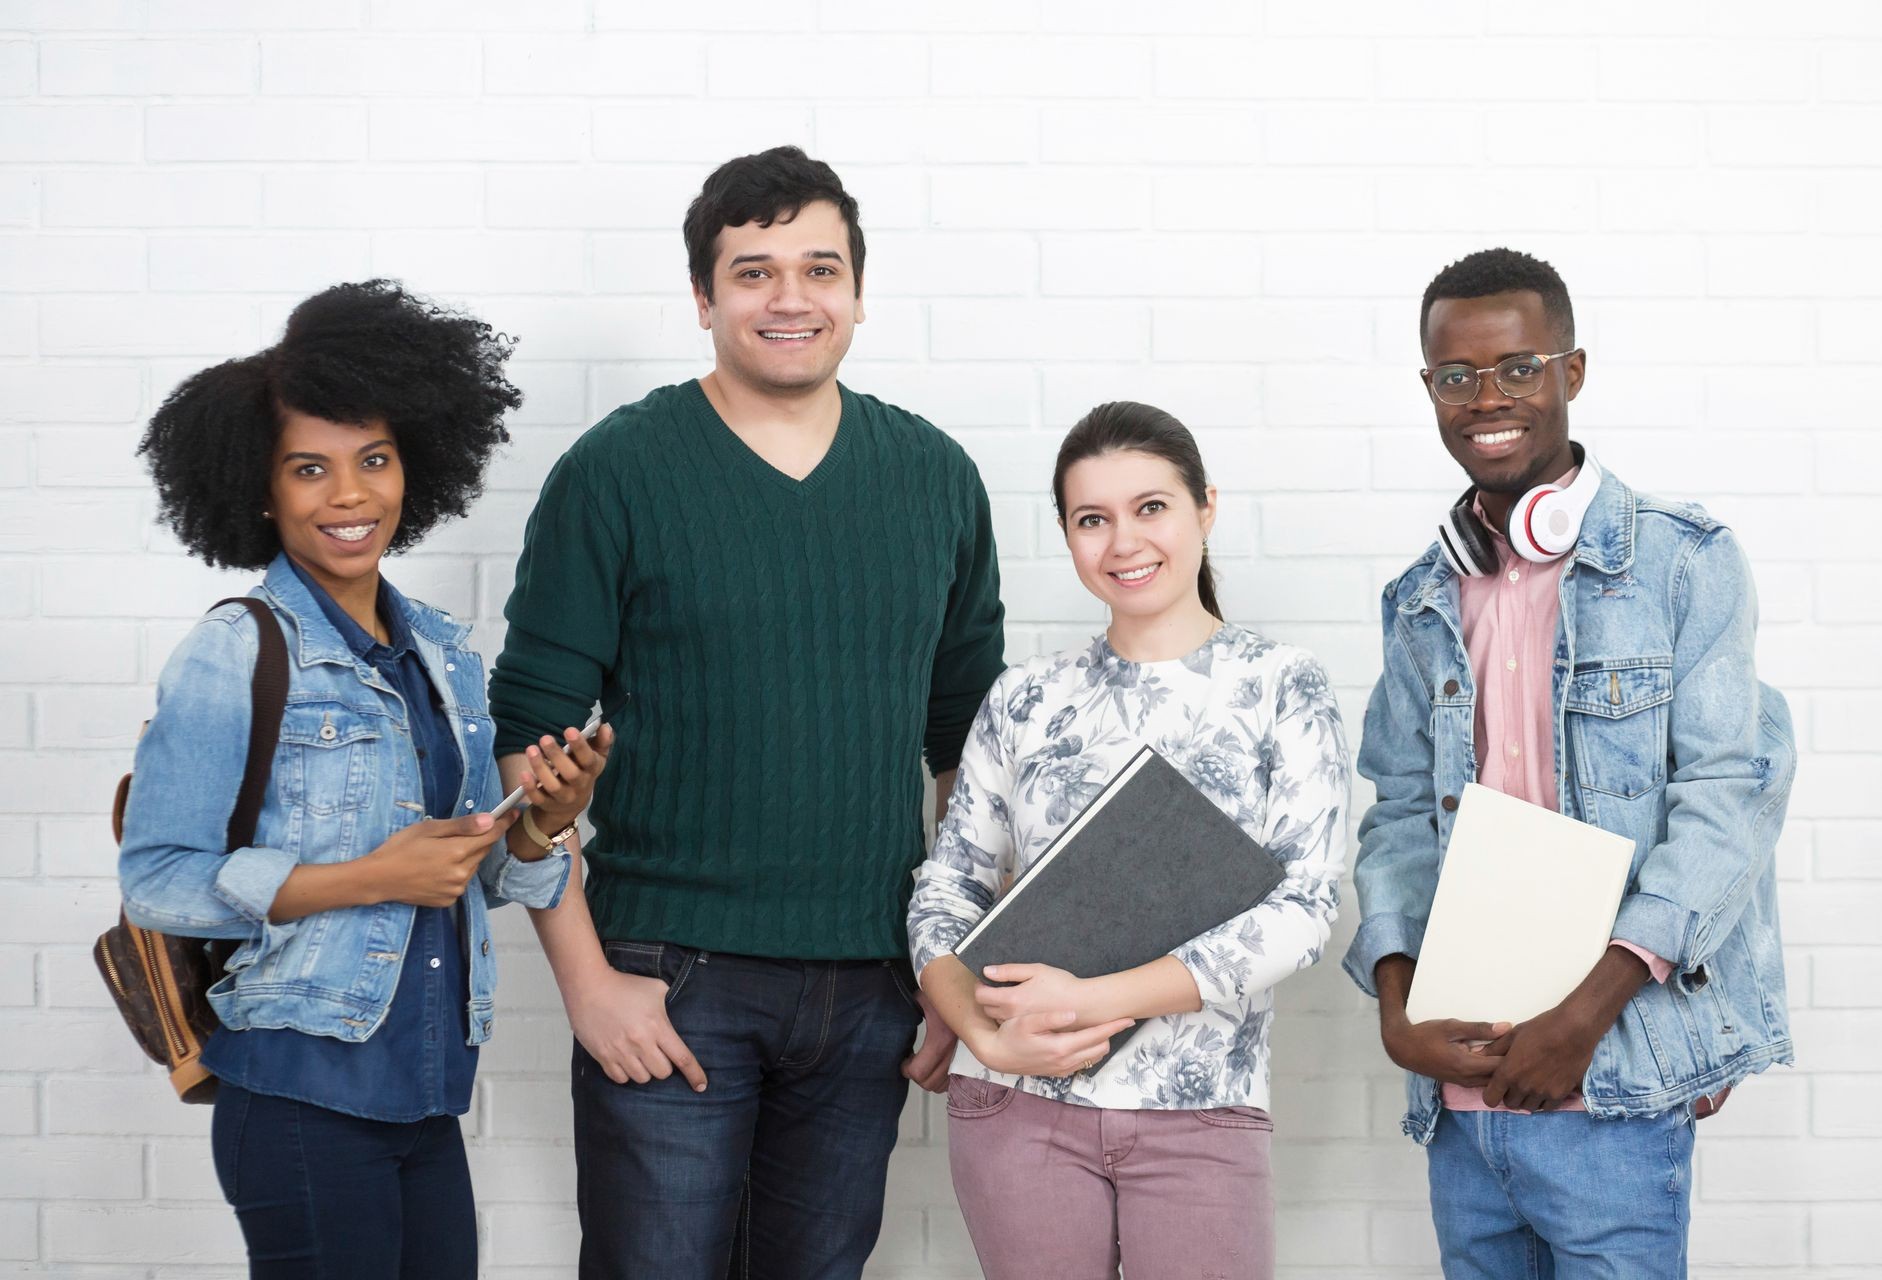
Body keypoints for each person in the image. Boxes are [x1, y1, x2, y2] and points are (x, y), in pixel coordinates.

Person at [488, 146, 1005, 1280]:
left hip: (873, 978)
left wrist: (952, 964)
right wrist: (585, 980)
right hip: (670, 973)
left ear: (858, 293)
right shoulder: (618, 471)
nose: (790, 298)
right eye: (754, 270)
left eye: (819, 268)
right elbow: (524, 737)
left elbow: (969, 756)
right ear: (704, 297)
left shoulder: (935, 478)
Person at [119, 280, 611, 1280]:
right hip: (301, 1090)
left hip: (425, 1091)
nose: (351, 493)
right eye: (311, 468)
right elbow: (158, 876)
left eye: (374, 459)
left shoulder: (439, 650)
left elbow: (471, 872)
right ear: (263, 489)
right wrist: (371, 875)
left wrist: (537, 825)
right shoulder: (236, 649)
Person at [1342, 248, 1796, 1278]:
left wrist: (1584, 1016)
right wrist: (1396, 1001)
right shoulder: (1420, 601)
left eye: (1516, 367)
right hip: (1464, 1108)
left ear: (1571, 373)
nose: (1486, 397)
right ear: (1429, 389)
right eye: (1455, 376)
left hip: (1617, 1083)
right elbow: (1400, 817)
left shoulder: (1686, 561)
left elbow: (1730, 802)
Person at [908, 401, 1350, 1279]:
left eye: (1151, 507)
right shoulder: (1025, 699)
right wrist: (979, 1035)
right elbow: (946, 889)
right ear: (1068, 537)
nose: (1123, 543)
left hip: (1202, 1108)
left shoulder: (1281, 686)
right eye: (1091, 520)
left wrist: (1095, 997)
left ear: (1205, 509)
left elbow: (1305, 909)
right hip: (1013, 1105)